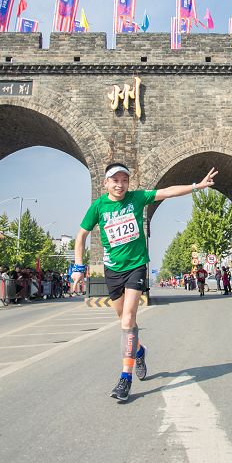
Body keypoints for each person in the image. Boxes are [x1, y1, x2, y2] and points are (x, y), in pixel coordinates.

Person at [73, 162, 217, 402]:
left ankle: (125, 378)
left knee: (129, 317)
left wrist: (197, 186)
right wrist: (78, 268)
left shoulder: (137, 198)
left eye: (124, 180)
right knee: (123, 319)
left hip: (136, 266)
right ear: (106, 183)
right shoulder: (98, 207)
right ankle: (139, 351)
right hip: (113, 270)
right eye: (115, 180)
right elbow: (81, 236)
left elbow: (167, 191)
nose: (120, 185)